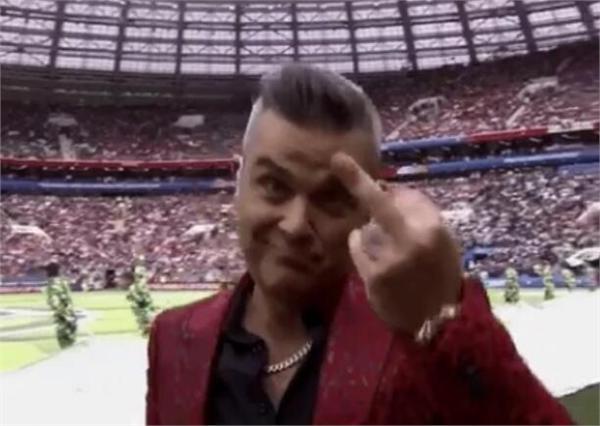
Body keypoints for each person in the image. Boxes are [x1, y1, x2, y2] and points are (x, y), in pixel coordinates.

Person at [146, 64, 572, 424]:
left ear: (370, 210)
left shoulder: (419, 338)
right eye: (274, 185)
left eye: (332, 198)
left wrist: (443, 323)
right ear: (236, 182)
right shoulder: (173, 338)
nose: (295, 225)